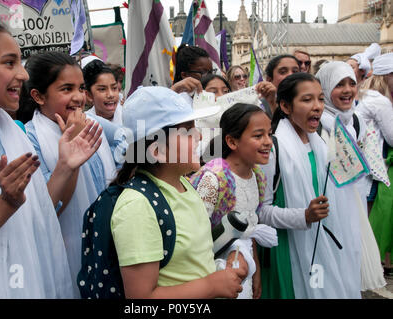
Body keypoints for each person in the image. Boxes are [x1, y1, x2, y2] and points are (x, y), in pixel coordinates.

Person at [0, 19, 99, 298]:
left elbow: (41, 214)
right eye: (9, 63)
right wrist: (6, 203)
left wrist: (65, 167)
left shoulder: (15, 135)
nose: (23, 75)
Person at [110, 86, 246, 298]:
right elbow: (142, 298)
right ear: (158, 151)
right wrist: (210, 286)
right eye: (188, 131)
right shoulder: (137, 206)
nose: (199, 136)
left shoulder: (183, 183)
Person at [19, 51, 115, 297]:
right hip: (61, 252)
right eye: (66, 89)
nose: (78, 97)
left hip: (102, 246)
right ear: (38, 96)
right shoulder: (28, 140)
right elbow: (47, 209)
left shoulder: (93, 128)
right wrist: (70, 156)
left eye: (81, 88)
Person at [259, 72, 362, 298]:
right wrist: (303, 216)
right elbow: (261, 212)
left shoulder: (324, 142)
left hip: (326, 244)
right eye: (307, 100)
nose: (317, 107)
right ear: (285, 106)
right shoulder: (273, 149)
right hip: (287, 250)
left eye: (321, 99)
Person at [189, 103, 278, 299]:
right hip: (213, 273)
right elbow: (196, 235)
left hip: (242, 267)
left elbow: (248, 229)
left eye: (269, 134)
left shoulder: (258, 176)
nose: (268, 142)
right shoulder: (214, 178)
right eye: (258, 136)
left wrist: (256, 271)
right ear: (232, 141)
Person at [316, 61, 386, 292]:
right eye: (339, 85)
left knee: (349, 264)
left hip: (351, 202)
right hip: (324, 207)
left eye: (351, 83)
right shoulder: (315, 124)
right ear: (325, 88)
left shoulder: (355, 120)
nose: (347, 90)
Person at [359, 52, 393, 276]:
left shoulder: (367, 95)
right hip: (374, 169)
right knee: (374, 216)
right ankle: (374, 262)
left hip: (367, 167)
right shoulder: (379, 101)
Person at [83, 59, 122, 125]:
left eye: (114, 88)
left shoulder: (129, 117)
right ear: (89, 95)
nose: (110, 95)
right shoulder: (84, 123)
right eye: (102, 89)